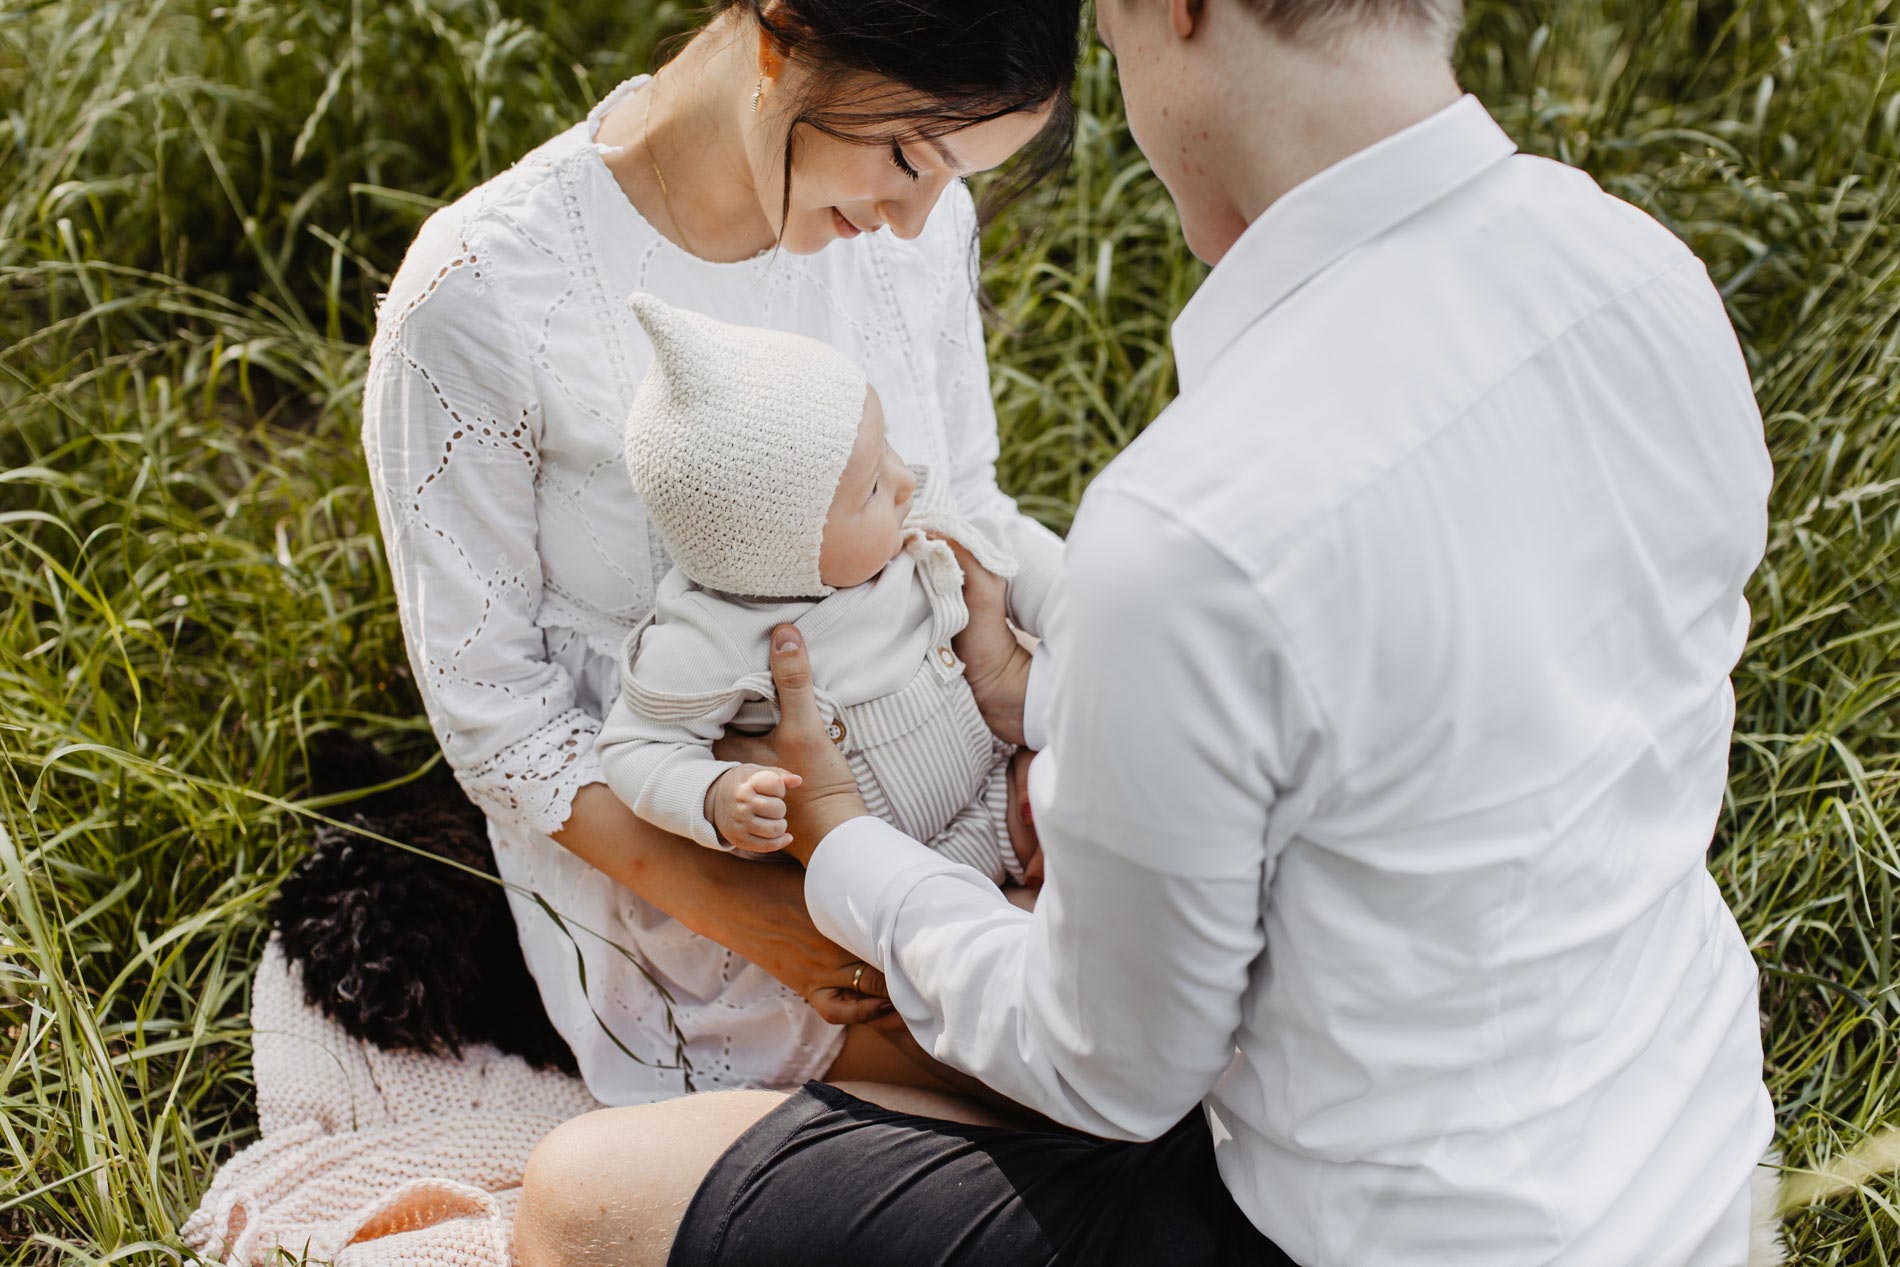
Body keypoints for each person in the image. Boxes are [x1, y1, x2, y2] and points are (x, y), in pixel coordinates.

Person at [512, 0, 1780, 1263]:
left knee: (586, 1202)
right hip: (1693, 1178)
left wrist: (848, 853)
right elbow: (1418, 731)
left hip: (1344, 1234)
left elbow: (1104, 1071)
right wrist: (1048, 705)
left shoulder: (1197, 530)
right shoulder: (1645, 275)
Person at [361, 0, 1082, 1104]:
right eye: (905, 156)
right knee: (1119, 1085)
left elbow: (967, 502)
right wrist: (779, 921)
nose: (915, 219)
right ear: (777, 39)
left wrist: (1087, 691)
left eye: (954, 175)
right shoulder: (488, 297)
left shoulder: (918, 230)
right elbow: (498, 715)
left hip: (967, 794)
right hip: (715, 908)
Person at [592, 294, 1054, 1088]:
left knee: (1104, 835)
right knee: (986, 992)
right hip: (895, 872)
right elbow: (632, 747)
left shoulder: (908, 533)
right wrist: (714, 792)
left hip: (999, 784)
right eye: (874, 488)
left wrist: (1049, 637)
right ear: (780, 550)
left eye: (891, 458)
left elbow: (1010, 554)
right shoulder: (709, 638)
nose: (907, 483)